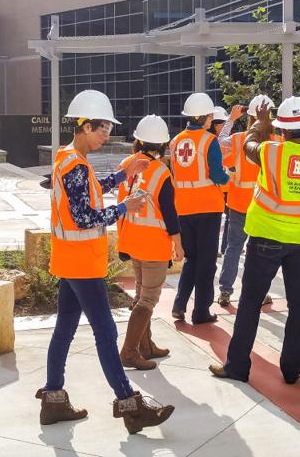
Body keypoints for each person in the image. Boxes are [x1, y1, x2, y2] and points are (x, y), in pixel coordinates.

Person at [39, 90, 173, 434]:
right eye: (102, 129)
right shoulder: (75, 165)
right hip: (82, 263)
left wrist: (122, 174)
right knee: (105, 332)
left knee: (65, 330)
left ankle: (53, 399)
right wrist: (124, 208)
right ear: (84, 126)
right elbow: (85, 215)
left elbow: (88, 191)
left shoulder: (69, 159)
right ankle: (130, 405)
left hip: (70, 261)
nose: (107, 135)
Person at [208, 97, 300, 384]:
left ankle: (237, 366)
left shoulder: (271, 152)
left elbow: (248, 144)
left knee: (251, 303)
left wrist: (261, 124)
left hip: (268, 237)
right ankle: (292, 370)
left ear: (283, 130)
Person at [116, 115, 184, 370]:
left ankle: (146, 346)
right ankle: (130, 351)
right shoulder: (162, 172)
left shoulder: (126, 164)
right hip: (153, 243)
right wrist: (178, 243)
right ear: (163, 145)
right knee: (148, 299)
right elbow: (169, 213)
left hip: (131, 239)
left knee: (141, 293)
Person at [169, 92, 229, 324]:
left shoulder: (176, 141)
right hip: (207, 207)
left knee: (192, 259)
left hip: (183, 206)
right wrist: (228, 177)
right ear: (205, 117)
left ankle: (179, 303)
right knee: (206, 262)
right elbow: (216, 174)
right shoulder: (208, 140)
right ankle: (201, 311)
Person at [217, 97, 274, 308]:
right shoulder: (275, 142)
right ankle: (259, 293)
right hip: (264, 205)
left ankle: (225, 291)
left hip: (239, 202)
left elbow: (219, 143)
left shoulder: (238, 139)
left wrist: (231, 119)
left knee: (233, 247)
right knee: (259, 251)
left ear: (249, 117)